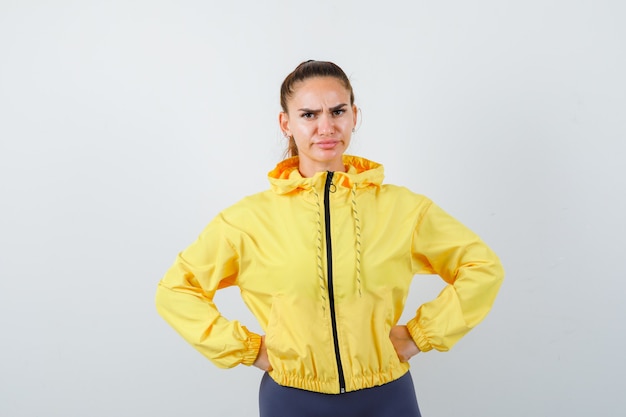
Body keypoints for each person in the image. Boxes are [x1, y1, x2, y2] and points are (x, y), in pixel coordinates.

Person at [155, 60, 504, 417]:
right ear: (285, 123)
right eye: (308, 114)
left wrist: (419, 335)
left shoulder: (403, 209)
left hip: (387, 398)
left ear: (354, 115)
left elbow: (481, 267)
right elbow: (176, 290)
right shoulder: (246, 220)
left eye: (337, 111)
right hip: (292, 400)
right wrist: (249, 349)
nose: (326, 127)